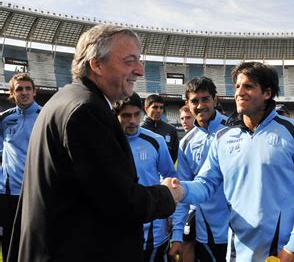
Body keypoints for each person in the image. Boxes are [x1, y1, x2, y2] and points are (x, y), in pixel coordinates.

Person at [7, 24, 180, 262]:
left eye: (138, 61)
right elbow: (120, 202)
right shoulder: (86, 110)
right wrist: (168, 195)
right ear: (96, 64)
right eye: (130, 61)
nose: (140, 70)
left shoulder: (67, 99)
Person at [164, 62, 294, 261]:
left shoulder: (293, 131)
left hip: (282, 250)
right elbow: (206, 184)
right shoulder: (223, 137)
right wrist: (182, 190)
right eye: (237, 86)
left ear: (267, 93)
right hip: (238, 250)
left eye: (248, 86)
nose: (239, 92)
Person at [170, 76, 229, 261]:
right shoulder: (186, 142)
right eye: (195, 101)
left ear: (215, 99)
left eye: (205, 99)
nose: (200, 105)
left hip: (241, 230)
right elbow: (182, 194)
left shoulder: (237, 129)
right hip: (207, 233)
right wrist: (177, 235)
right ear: (188, 103)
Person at [114, 92, 176, 262]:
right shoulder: (106, 141)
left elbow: (170, 177)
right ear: (115, 115)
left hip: (153, 230)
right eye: (126, 115)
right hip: (117, 230)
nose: (133, 120)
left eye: (136, 114)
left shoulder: (155, 141)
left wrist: (171, 216)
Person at [0, 73, 41, 261]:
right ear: (12, 93)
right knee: (9, 242)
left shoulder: (45, 116)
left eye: (27, 89)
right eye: (19, 89)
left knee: (35, 242)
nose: (23, 93)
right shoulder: (4, 119)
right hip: (8, 193)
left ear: (34, 92)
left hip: (36, 193)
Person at [142, 94, 179, 162]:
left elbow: (174, 155)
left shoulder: (171, 130)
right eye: (155, 107)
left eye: (161, 108)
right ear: (146, 109)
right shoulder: (138, 129)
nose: (159, 111)